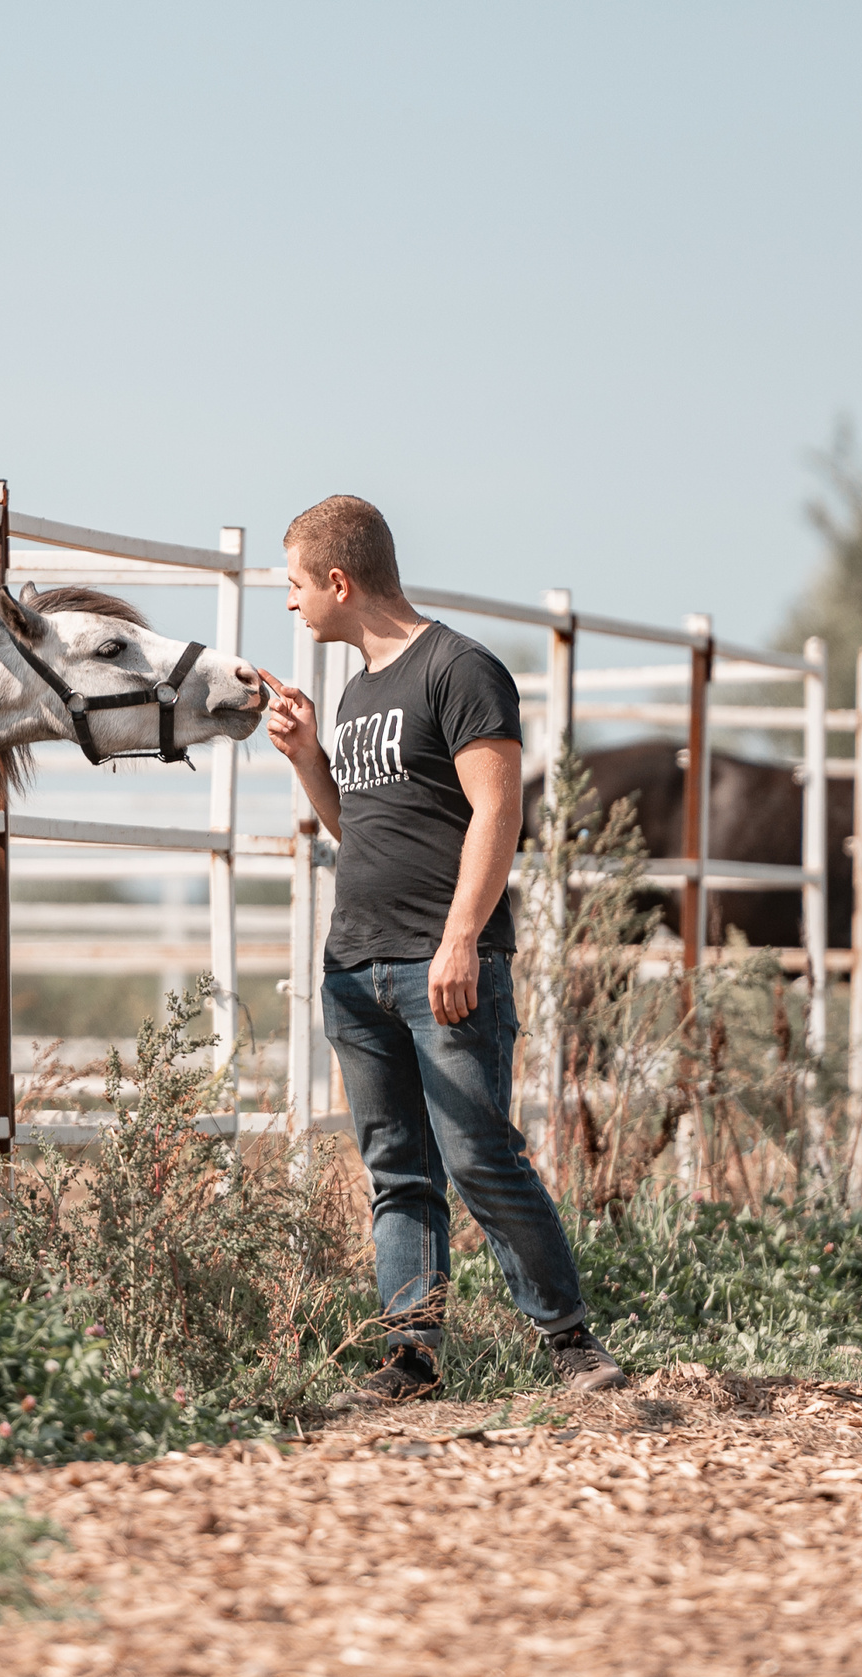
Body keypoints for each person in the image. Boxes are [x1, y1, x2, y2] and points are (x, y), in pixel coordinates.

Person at [264, 495, 627, 1399]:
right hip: (355, 966)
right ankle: (411, 1358)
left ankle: (572, 1343)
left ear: (339, 582)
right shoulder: (355, 693)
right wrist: (311, 757)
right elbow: (365, 831)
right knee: (397, 1171)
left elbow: (499, 812)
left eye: (295, 586)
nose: (290, 604)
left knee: (478, 1156)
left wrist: (462, 938)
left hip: (445, 966)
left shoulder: (461, 670)